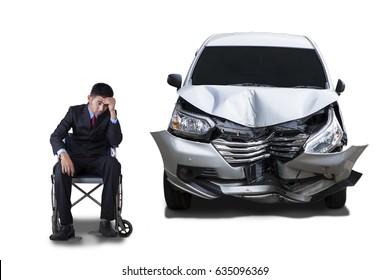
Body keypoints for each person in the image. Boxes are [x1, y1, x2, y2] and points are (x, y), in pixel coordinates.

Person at [50, 83, 123, 241]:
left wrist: (112, 114)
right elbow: (55, 136)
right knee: (59, 169)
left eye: (106, 104)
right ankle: (66, 225)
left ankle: (105, 222)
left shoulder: (109, 115)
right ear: (89, 98)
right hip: (75, 159)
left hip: (98, 159)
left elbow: (115, 141)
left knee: (113, 164)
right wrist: (64, 155)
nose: (101, 108)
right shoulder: (74, 112)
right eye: (99, 103)